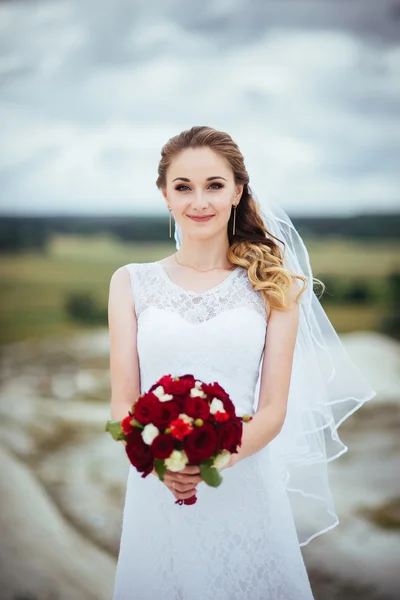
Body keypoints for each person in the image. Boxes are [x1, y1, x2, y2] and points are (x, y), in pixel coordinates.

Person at [108, 126, 375, 600]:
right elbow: (123, 401)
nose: (199, 201)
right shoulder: (129, 283)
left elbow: (273, 409)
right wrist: (165, 463)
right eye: (183, 187)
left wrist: (211, 459)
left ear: (237, 191)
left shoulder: (275, 286)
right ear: (165, 196)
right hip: (158, 488)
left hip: (245, 481)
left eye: (214, 185)